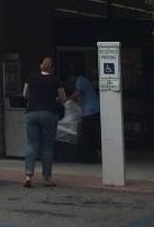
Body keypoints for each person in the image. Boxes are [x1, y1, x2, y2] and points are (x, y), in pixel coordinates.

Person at [21, 56, 63, 187]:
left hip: (32, 113)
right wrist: (55, 99)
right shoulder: (55, 80)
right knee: (47, 147)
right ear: (52, 69)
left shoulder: (31, 77)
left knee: (32, 145)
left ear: (41, 66)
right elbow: (62, 97)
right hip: (49, 113)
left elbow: (24, 94)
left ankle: (28, 176)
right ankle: (47, 178)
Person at [69, 66, 100, 163]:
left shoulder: (80, 80)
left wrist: (67, 99)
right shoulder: (84, 81)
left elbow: (78, 93)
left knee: (87, 135)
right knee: (91, 134)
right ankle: (92, 156)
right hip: (92, 110)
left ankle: (88, 157)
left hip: (90, 112)